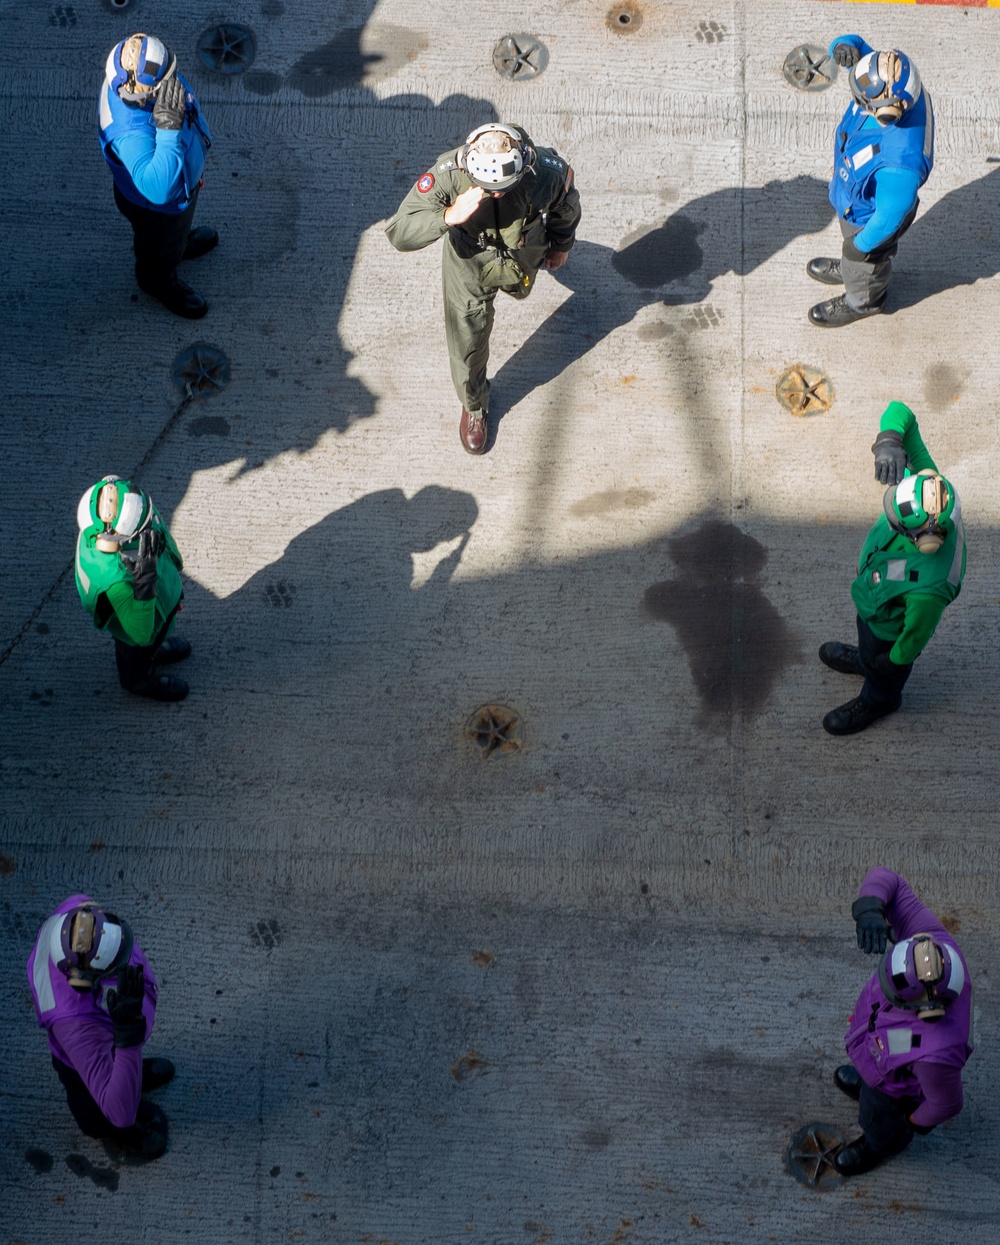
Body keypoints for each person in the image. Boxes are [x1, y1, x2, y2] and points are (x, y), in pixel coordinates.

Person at [386, 122, 581, 454]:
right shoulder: (448, 173)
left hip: (523, 252)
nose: (497, 194)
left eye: (506, 186)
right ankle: (474, 405)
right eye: (489, 187)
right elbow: (399, 230)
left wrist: (562, 245)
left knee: (521, 291)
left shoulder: (546, 172)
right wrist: (448, 215)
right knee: (467, 339)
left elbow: (566, 207)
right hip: (469, 260)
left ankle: (517, 283)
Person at [820, 401, 965, 735]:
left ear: (922, 539)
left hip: (888, 630)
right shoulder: (930, 487)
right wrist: (889, 441)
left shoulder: (930, 588)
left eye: (896, 523)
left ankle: (879, 697)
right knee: (868, 647)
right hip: (875, 601)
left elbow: (916, 634)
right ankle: (865, 661)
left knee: (881, 663)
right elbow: (902, 413)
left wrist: (895, 661)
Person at [832, 868, 973, 1177]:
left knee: (879, 1120)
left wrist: (911, 1122)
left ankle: (878, 1144)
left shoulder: (938, 1053)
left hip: (894, 1092)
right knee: (871, 1087)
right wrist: (870, 907)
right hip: (878, 1055)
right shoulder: (931, 943)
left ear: (926, 1009)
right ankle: (867, 1080)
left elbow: (947, 1104)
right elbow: (888, 880)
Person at [26, 896, 174, 1162]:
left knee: (123, 1066)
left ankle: (132, 1074)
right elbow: (119, 1111)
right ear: (82, 981)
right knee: (101, 1113)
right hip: (80, 1066)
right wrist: (128, 1035)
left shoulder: (75, 915)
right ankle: (125, 1136)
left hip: (100, 1035)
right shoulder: (76, 1024)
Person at [807, 34, 933, 327]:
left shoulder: (900, 165)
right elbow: (862, 55)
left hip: (869, 219)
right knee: (853, 253)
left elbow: (888, 217)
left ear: (887, 112)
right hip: (856, 196)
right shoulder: (895, 79)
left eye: (861, 100)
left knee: (867, 263)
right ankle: (851, 268)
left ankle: (863, 300)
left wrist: (861, 246)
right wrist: (847, 45)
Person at [98, 33, 215, 318]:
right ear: (139, 95)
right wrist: (169, 131)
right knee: (159, 247)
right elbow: (159, 190)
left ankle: (180, 242)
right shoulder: (130, 134)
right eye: (163, 84)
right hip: (157, 209)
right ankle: (158, 281)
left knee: (174, 236)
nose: (171, 85)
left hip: (178, 194)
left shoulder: (136, 78)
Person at [75, 475, 192, 702]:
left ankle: (155, 652)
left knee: (152, 643)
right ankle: (139, 681)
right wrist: (145, 583)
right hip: (138, 624)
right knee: (137, 651)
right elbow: (139, 632)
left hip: (154, 607)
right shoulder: (114, 580)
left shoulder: (100, 522)